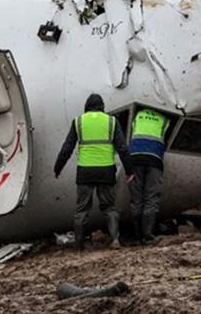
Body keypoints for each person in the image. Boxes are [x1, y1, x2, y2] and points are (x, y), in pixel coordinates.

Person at [53, 94, 130, 249]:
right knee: (109, 207)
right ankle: (115, 239)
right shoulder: (111, 122)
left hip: (85, 172)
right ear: (102, 107)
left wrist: (58, 167)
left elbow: (67, 148)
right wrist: (130, 170)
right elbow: (122, 148)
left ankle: (79, 246)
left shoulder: (79, 121)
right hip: (106, 170)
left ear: (86, 106)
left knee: (82, 210)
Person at [128, 108, 170, 244]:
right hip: (154, 159)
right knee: (151, 199)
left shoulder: (138, 114)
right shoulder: (165, 119)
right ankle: (148, 235)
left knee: (136, 200)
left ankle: (136, 237)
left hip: (135, 158)